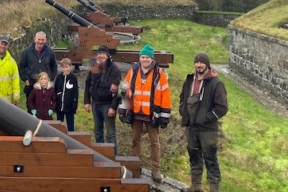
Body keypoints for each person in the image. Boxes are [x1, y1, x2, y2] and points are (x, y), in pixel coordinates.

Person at [179, 53, 228, 192]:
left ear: (207, 65)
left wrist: (206, 118)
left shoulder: (216, 83)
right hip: (191, 127)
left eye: (201, 63)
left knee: (210, 159)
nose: (198, 65)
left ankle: (214, 189)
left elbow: (222, 107)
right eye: (196, 62)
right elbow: (182, 97)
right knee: (194, 156)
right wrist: (183, 111)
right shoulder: (189, 80)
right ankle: (196, 186)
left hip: (207, 130)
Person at [123, 44, 171, 183]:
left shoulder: (159, 74)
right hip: (136, 113)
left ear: (151, 59)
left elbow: (165, 95)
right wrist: (124, 108)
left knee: (154, 142)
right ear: (140, 58)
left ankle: (155, 169)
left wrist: (164, 115)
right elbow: (125, 89)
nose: (144, 59)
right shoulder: (133, 70)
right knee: (135, 140)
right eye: (142, 57)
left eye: (147, 57)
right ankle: (136, 165)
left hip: (152, 114)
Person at [84, 45, 121, 153]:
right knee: (98, 131)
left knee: (110, 133)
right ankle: (100, 153)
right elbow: (87, 84)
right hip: (95, 103)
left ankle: (112, 155)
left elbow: (117, 92)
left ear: (107, 56)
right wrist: (87, 101)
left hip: (108, 104)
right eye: (99, 54)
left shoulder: (115, 70)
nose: (100, 56)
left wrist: (113, 108)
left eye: (103, 54)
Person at [18, 31, 57, 113]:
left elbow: (54, 66)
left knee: (45, 107)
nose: (40, 42)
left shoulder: (50, 52)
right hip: (31, 84)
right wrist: (25, 79)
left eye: (42, 40)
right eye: (39, 39)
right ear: (34, 39)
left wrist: (51, 78)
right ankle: (30, 125)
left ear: (45, 40)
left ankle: (44, 125)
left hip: (45, 85)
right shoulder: (26, 52)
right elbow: (21, 66)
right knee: (31, 106)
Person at [54, 58, 79, 131]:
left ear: (70, 66)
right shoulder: (58, 77)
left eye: (66, 67)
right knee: (59, 125)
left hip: (69, 107)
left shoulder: (73, 78)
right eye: (63, 67)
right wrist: (55, 105)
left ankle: (71, 139)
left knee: (70, 125)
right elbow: (55, 90)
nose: (65, 69)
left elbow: (75, 93)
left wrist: (74, 106)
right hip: (59, 106)